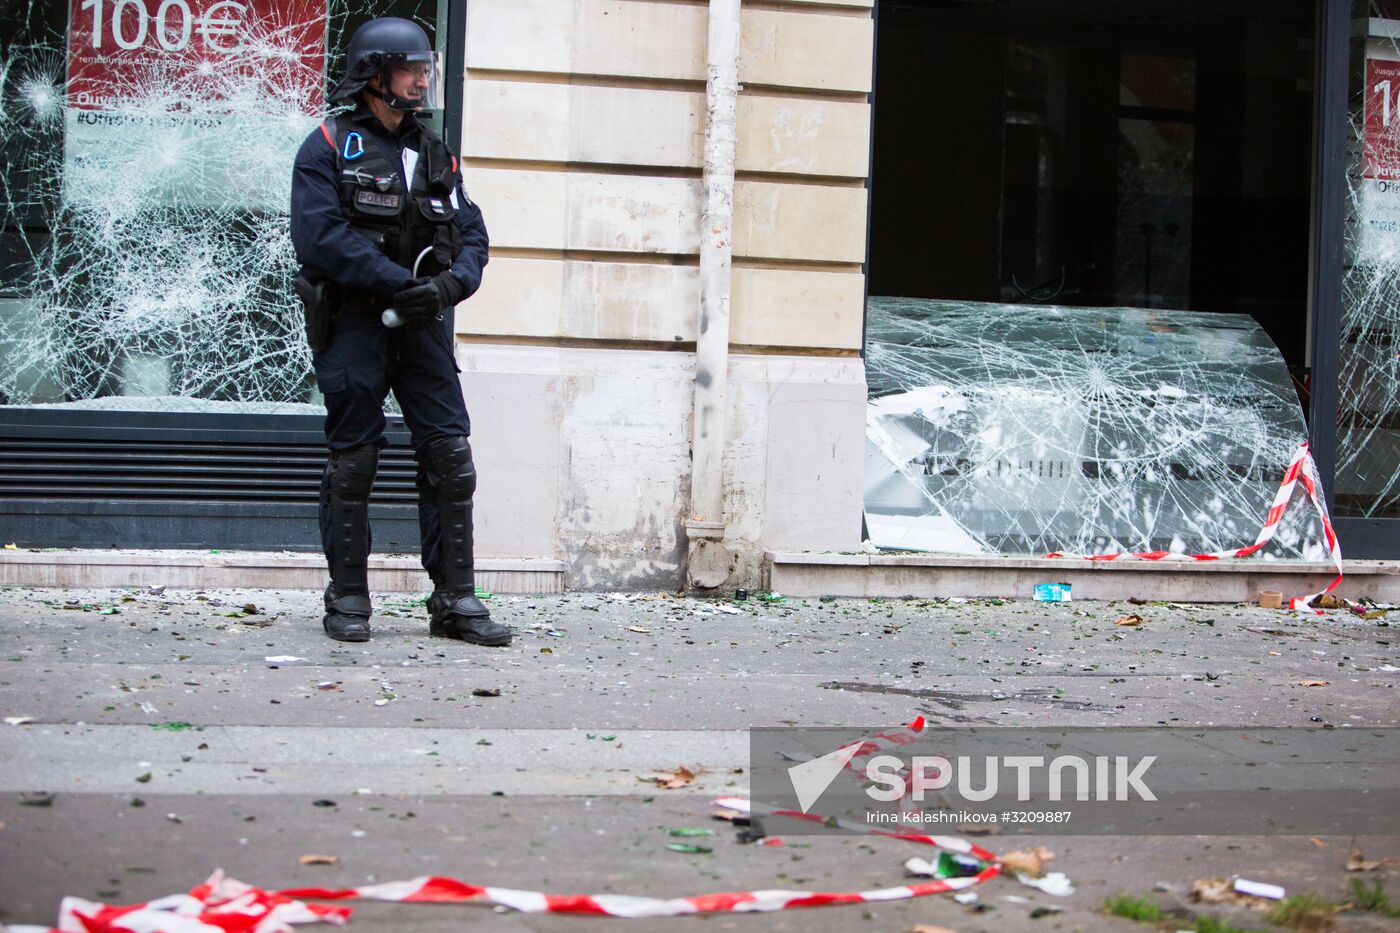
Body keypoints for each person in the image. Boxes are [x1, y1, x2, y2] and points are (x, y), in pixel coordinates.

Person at [289, 16, 511, 647]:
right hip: (355, 323)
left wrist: (446, 288)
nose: (422, 78)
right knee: (354, 457)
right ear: (375, 75)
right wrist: (395, 282)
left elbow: (472, 235)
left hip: (422, 325)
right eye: (412, 68)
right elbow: (321, 239)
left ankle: (455, 600)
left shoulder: (435, 152)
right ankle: (349, 597)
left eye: (424, 69)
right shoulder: (328, 146)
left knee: (450, 455)